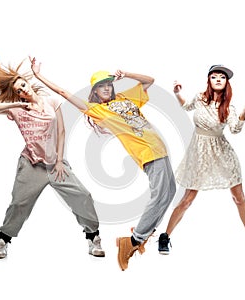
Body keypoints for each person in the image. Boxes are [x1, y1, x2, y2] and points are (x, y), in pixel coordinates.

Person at [30, 57, 176, 270]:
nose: (106, 88)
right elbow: (64, 93)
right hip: (148, 154)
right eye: (101, 86)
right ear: (95, 92)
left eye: (108, 85)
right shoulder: (97, 111)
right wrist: (38, 75)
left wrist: (126, 74)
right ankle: (133, 240)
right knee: (159, 195)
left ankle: (143, 234)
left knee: (169, 192)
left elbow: (149, 81)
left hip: (160, 150)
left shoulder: (126, 98)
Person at [0, 53, 105, 259]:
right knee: (19, 204)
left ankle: (93, 238)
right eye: (18, 90)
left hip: (55, 163)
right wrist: (16, 105)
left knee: (82, 196)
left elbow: (62, 131)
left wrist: (58, 161)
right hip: (31, 164)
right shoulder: (18, 109)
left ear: (28, 83)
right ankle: (3, 240)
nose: (22, 89)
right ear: (18, 94)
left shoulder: (51, 101)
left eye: (22, 84)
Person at [158, 65, 245, 257]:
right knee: (187, 199)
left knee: (239, 197)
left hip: (222, 153)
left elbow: (235, 129)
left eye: (222, 77)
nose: (217, 79)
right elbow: (186, 106)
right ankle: (165, 236)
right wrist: (177, 94)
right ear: (209, 81)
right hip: (199, 153)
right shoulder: (200, 99)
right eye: (214, 76)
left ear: (226, 83)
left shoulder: (228, 108)